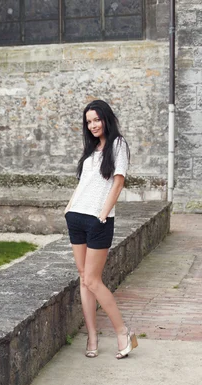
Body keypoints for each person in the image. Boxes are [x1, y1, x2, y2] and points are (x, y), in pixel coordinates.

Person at [64, 99, 137, 359]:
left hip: (98, 221)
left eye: (96, 119)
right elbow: (83, 184)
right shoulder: (92, 149)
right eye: (89, 122)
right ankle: (92, 336)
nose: (93, 125)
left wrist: (103, 214)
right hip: (76, 218)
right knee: (84, 279)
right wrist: (69, 208)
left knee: (93, 280)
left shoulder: (118, 145)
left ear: (106, 118)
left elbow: (118, 183)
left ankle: (123, 332)